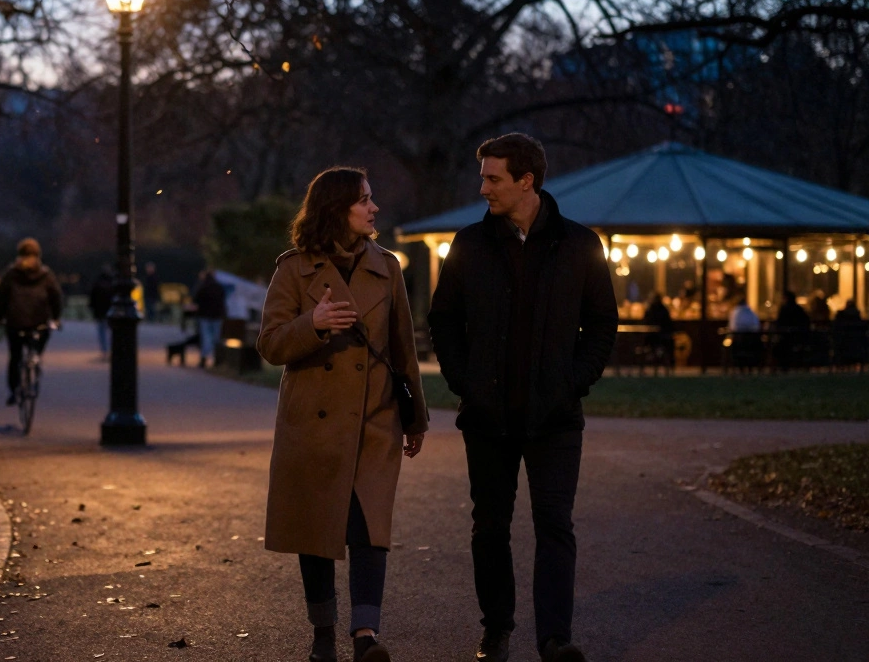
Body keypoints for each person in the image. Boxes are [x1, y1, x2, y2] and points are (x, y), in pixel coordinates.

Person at [428, 133, 617, 662]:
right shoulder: (470, 242)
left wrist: (573, 381)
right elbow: (443, 318)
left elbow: (602, 322)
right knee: (489, 526)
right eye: (483, 176)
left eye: (493, 177)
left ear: (526, 180)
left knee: (555, 524)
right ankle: (497, 628)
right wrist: (465, 380)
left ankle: (555, 638)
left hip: (555, 416)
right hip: (488, 415)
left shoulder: (580, 244)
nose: (482, 186)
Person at [257, 166, 429, 662]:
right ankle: (323, 635)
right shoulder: (294, 269)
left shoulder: (387, 266)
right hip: (312, 421)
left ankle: (365, 636)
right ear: (337, 208)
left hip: (375, 416)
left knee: (369, 526)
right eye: (365, 200)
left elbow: (403, 349)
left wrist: (415, 417)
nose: (374, 208)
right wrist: (312, 323)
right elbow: (269, 343)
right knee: (316, 528)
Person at [0, 238, 63, 406]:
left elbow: (0, 297)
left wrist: (0, 316)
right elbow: (56, 297)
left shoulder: (11, 274)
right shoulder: (46, 275)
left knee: (15, 357)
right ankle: (36, 363)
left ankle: (14, 389)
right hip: (40, 322)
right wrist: (56, 317)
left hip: (15, 322)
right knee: (37, 348)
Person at [191, 269, 227, 367]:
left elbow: (195, 300)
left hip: (204, 315)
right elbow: (223, 300)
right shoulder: (219, 287)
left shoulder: (202, 287)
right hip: (217, 316)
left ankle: (204, 358)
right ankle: (217, 359)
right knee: (216, 337)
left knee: (206, 337)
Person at [89, 265, 115, 356]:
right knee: (112, 331)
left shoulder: (97, 283)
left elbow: (92, 297)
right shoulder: (113, 283)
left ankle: (104, 350)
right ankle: (112, 349)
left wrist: (92, 308)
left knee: (101, 332)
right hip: (111, 311)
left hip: (99, 312)